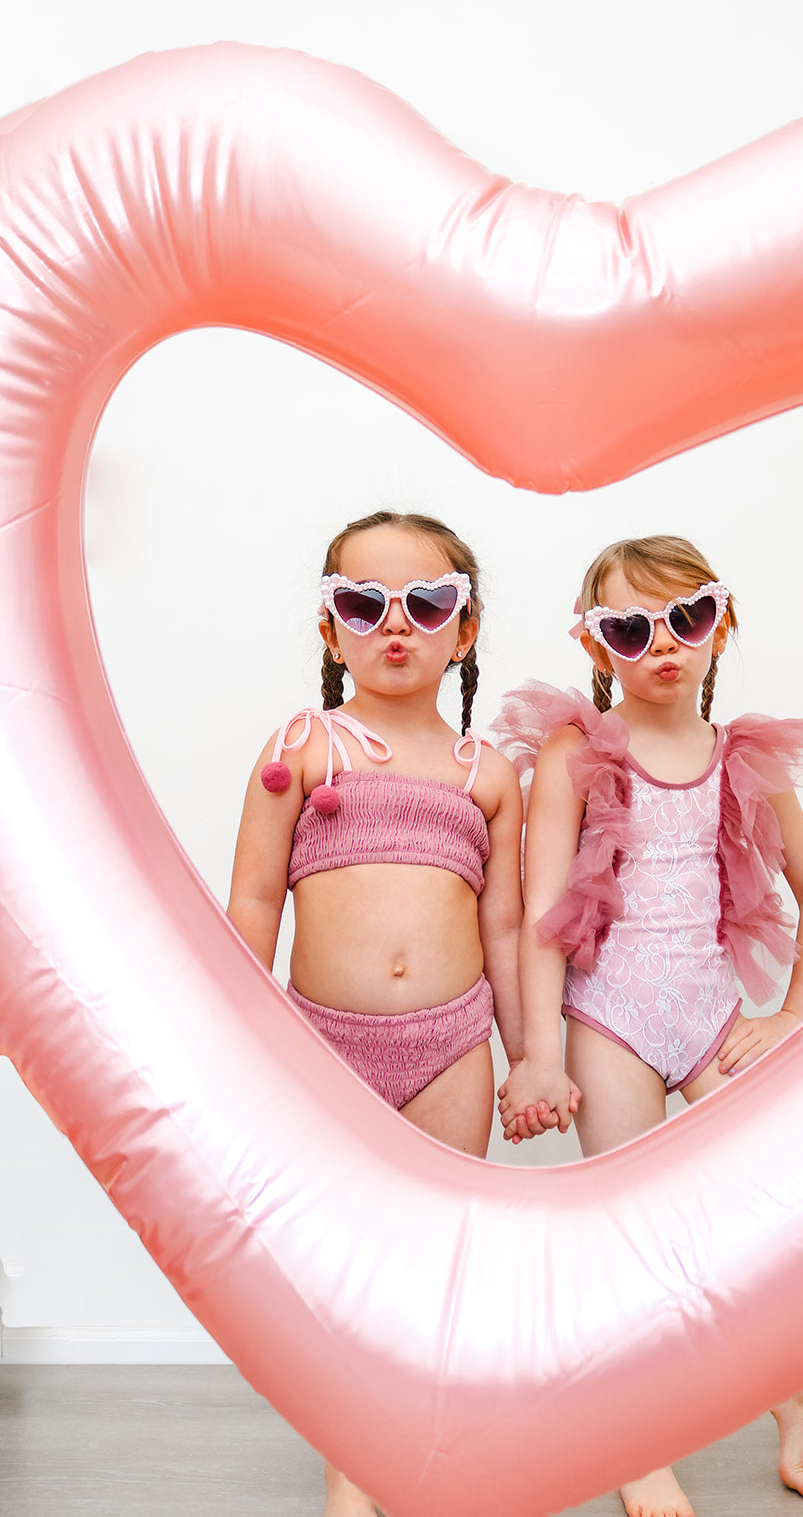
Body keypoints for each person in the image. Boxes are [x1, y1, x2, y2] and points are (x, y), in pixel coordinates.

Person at [494, 535, 803, 1517]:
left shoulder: (742, 756)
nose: (661, 643)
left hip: (707, 1010)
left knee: (777, 1214)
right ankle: (638, 1444)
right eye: (628, 626)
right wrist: (538, 1056)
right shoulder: (574, 751)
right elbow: (539, 910)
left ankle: (791, 1383)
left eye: (685, 618)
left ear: (719, 622)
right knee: (631, 1231)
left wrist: (791, 1015)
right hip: (609, 1018)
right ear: (594, 643)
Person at [227, 510, 524, 1517]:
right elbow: (256, 899)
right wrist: (242, 1037)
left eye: (425, 603)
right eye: (363, 603)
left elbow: (506, 920)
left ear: (463, 628)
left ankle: (431, 1453)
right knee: (344, 1269)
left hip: (451, 1044)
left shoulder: (486, 770)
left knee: (441, 1259)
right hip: (321, 1045)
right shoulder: (301, 747)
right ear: (328, 628)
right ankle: (351, 1469)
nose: (394, 625)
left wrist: (525, 1055)